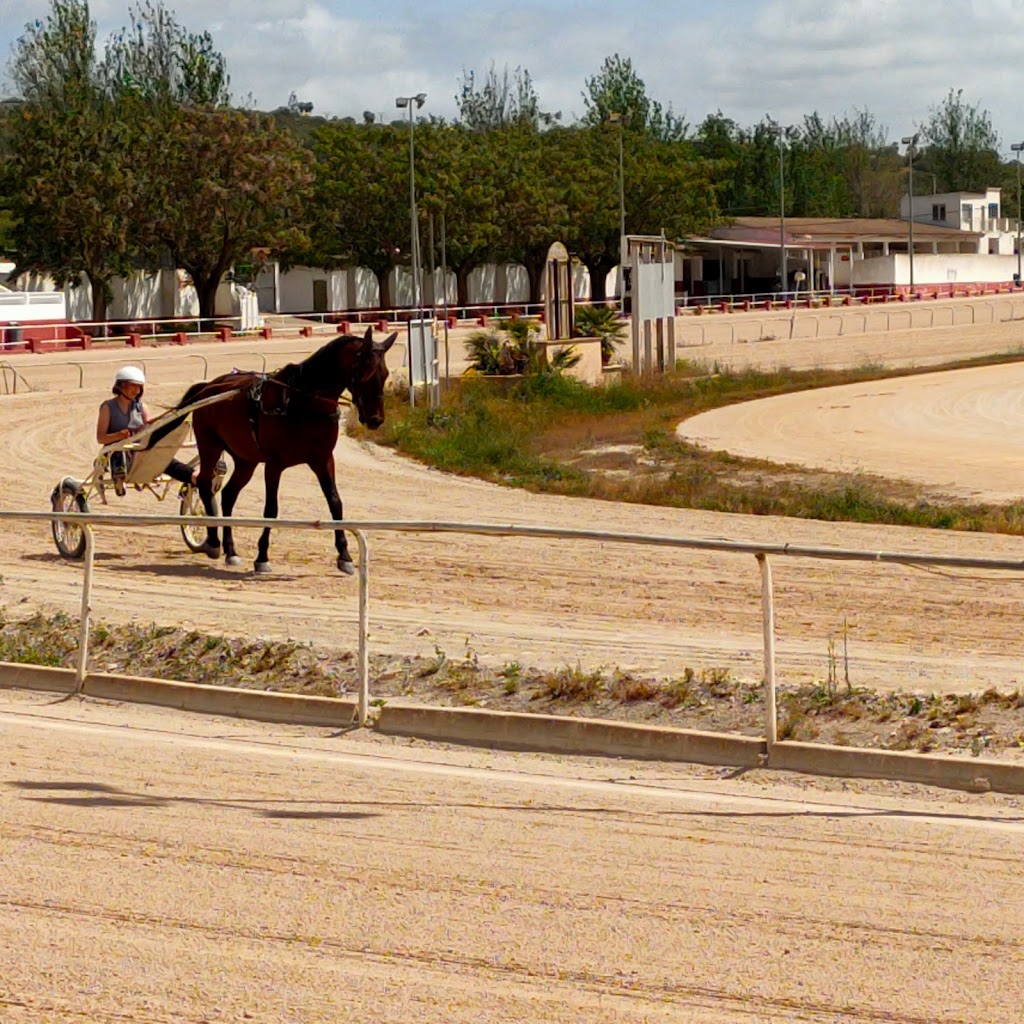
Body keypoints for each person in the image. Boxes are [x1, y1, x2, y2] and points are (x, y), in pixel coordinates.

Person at [96, 365, 195, 496]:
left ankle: (195, 476)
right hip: (117, 451)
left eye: (139, 387)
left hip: (141, 450)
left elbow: (148, 426)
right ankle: (119, 476)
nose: (137, 391)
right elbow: (101, 438)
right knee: (119, 453)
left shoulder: (142, 407)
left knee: (163, 457)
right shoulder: (107, 407)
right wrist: (119, 435)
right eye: (133, 386)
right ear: (121, 386)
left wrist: (161, 420)